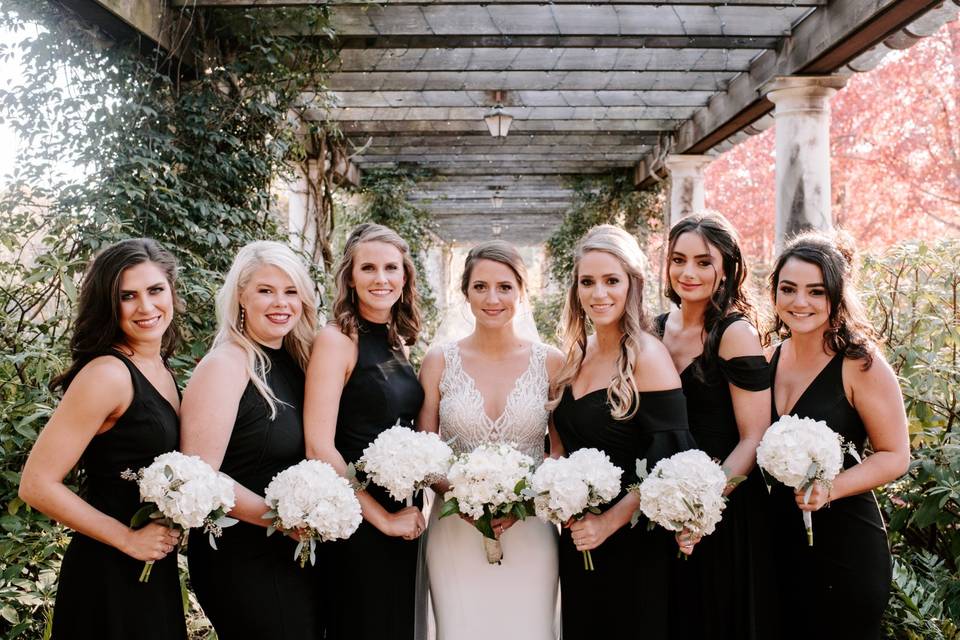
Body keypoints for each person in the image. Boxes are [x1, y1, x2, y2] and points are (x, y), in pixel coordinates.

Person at [19, 238, 187, 640]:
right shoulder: (108, 374)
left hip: (151, 567)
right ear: (108, 305)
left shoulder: (159, 368)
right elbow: (36, 484)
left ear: (171, 292)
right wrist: (127, 539)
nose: (146, 307)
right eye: (128, 296)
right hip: (109, 572)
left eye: (154, 290)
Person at [548, 224, 697, 640]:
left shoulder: (648, 357)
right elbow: (561, 446)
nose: (599, 294)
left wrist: (609, 523)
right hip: (579, 538)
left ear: (633, 284)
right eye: (588, 282)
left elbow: (671, 461)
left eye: (612, 280)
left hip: (634, 543)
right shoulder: (576, 355)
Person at [766, 231, 909, 640]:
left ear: (837, 296)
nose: (800, 302)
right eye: (788, 289)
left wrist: (830, 488)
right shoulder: (768, 358)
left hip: (846, 547)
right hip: (780, 545)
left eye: (816, 291)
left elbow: (895, 455)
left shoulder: (859, 364)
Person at [418, 240, 564, 640]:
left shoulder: (551, 362)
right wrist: (463, 496)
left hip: (531, 528)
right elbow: (425, 450)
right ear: (465, 292)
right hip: (454, 527)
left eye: (504, 286)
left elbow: (559, 450)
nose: (492, 298)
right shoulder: (438, 361)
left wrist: (523, 503)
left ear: (522, 291)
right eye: (480, 286)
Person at [181, 241, 322, 639]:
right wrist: (278, 518)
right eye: (266, 290)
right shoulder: (227, 364)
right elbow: (199, 473)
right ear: (241, 295)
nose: (281, 303)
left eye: (291, 291)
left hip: (289, 549)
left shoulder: (295, 362)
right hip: (241, 555)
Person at [654, 213, 777, 639]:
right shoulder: (654, 330)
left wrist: (701, 510)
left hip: (723, 508)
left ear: (727, 268)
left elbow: (754, 436)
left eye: (703, 262)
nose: (688, 272)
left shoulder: (734, 333)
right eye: (678, 259)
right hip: (662, 505)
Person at [304, 223, 426, 640]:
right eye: (368, 268)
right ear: (350, 277)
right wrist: (382, 520)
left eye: (391, 267)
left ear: (405, 276)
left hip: (402, 518)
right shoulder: (337, 339)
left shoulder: (398, 340)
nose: (381, 278)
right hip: (357, 525)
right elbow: (320, 446)